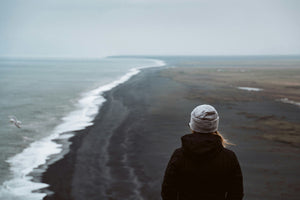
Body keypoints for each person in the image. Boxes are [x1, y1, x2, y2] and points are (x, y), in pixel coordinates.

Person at [161, 104, 244, 200]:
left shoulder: (179, 155)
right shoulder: (229, 157)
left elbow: (168, 192)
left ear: (193, 125)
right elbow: (236, 194)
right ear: (215, 126)